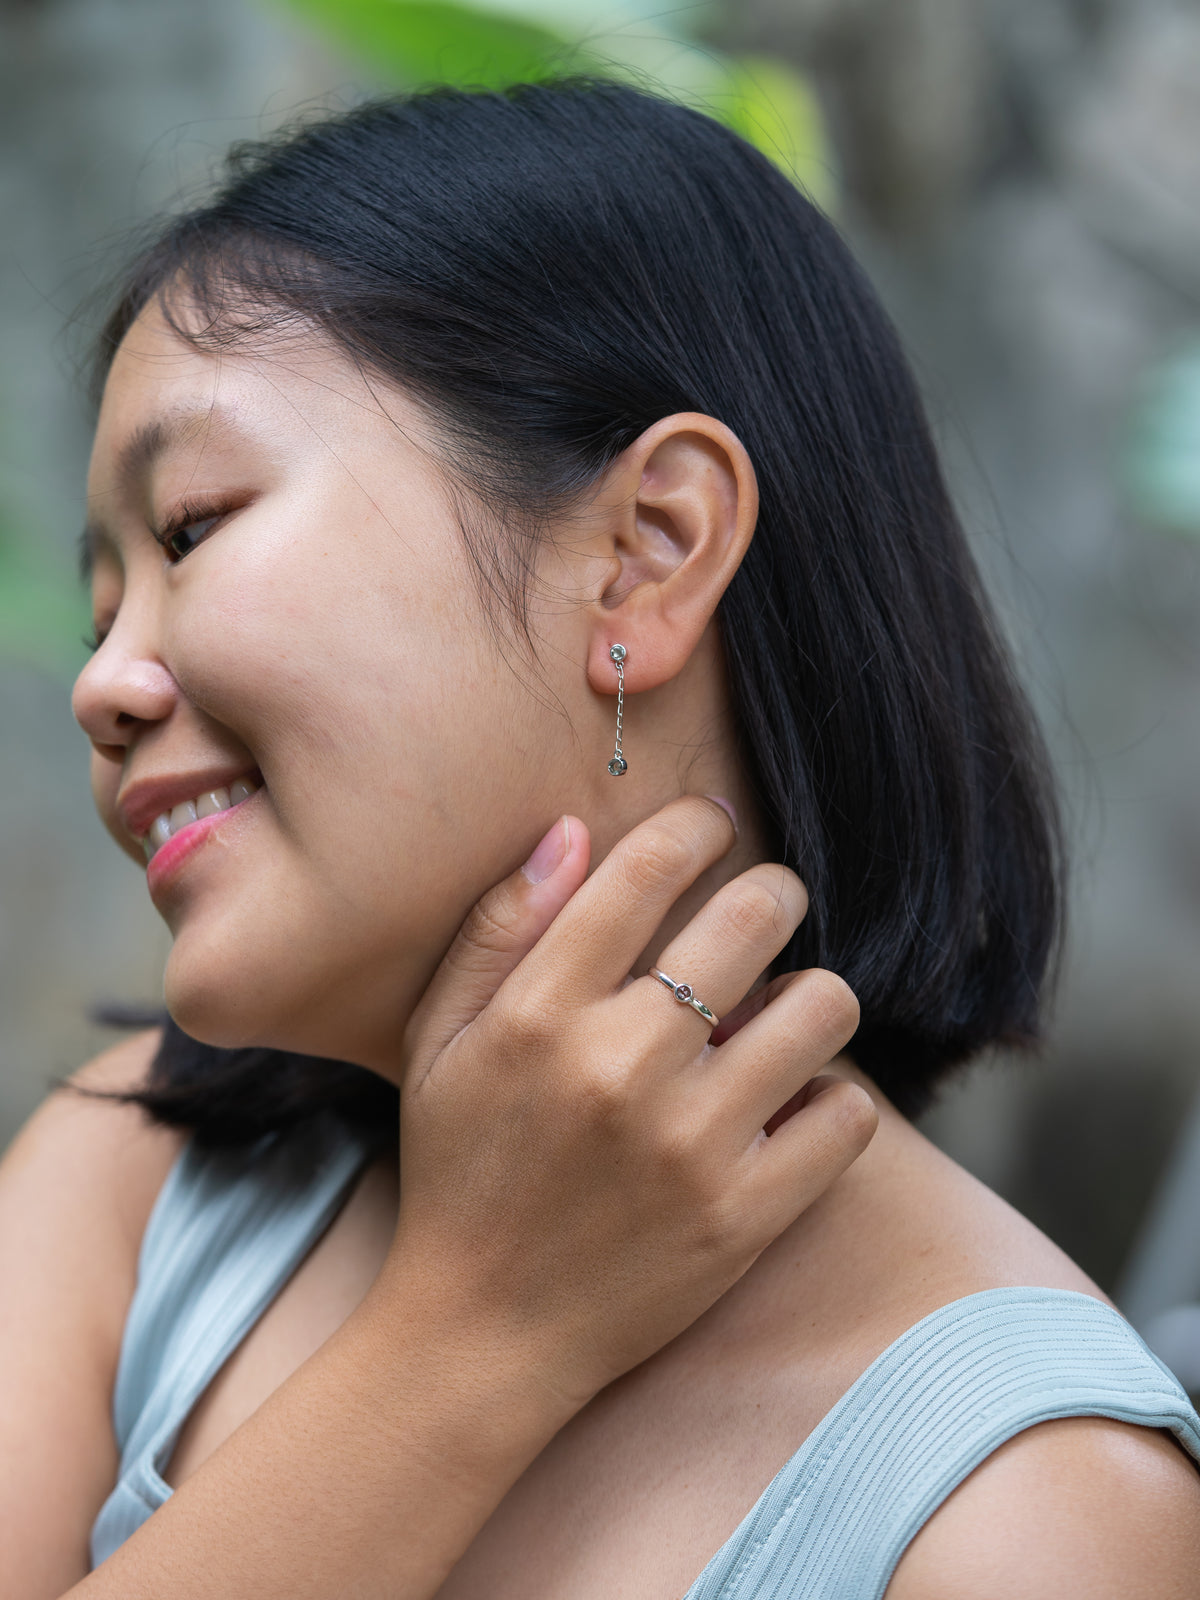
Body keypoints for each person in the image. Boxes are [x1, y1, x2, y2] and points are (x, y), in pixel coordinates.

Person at [2, 78, 1197, 1597]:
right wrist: (469, 1334)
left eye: (191, 530)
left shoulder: (1034, 1513)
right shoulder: (132, 1180)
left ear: (648, 553)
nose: (103, 684)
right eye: (102, 611)